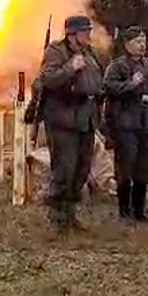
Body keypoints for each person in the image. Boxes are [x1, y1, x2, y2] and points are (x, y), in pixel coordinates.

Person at [35, 14, 104, 233]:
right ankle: (58, 217)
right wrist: (70, 68)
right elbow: (48, 80)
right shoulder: (56, 51)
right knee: (64, 169)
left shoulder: (90, 53)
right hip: (63, 119)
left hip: (85, 118)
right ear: (72, 34)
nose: (89, 35)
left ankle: (70, 214)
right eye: (85, 32)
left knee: (82, 170)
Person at [102, 26, 148, 224]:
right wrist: (130, 85)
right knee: (126, 168)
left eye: (143, 41)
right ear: (127, 44)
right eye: (138, 41)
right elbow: (109, 89)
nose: (142, 45)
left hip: (146, 125)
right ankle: (124, 211)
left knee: (144, 168)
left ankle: (140, 210)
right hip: (125, 125)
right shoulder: (117, 67)